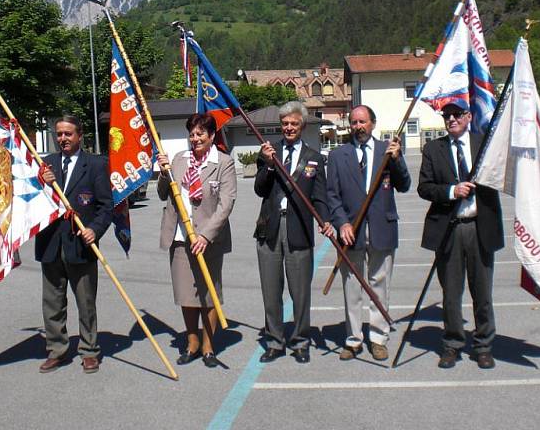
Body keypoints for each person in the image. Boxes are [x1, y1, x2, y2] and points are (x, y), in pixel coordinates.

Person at [418, 102, 503, 370]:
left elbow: (511, 165)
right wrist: (451, 191)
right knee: (451, 294)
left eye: (456, 115)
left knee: (483, 293)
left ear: (468, 117)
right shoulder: (434, 149)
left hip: (480, 228)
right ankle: (452, 345)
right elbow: (424, 187)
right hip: (449, 229)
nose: (451, 119)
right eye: (447, 116)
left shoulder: (485, 144)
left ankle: (483, 346)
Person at [327, 105, 411, 361]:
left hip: (381, 228)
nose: (358, 127)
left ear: (373, 124)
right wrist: (342, 223)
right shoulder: (338, 155)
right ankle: (353, 339)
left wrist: (397, 159)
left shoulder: (387, 151)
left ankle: (378, 338)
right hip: (350, 231)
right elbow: (332, 195)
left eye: (362, 122)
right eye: (353, 122)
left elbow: (404, 184)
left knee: (379, 286)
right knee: (352, 288)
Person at [156, 113, 236, 368]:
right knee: (186, 294)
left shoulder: (223, 162)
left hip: (208, 239)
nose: (195, 138)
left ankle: (208, 345)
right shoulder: (179, 160)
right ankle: (191, 342)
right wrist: (163, 172)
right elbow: (162, 194)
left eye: (201, 133)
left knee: (209, 293)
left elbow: (226, 203)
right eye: (192, 134)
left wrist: (205, 235)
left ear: (211, 136)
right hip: (180, 237)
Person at [253, 101, 331, 364]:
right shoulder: (268, 152)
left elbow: (320, 196)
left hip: (299, 228)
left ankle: (300, 341)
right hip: (270, 228)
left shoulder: (314, 158)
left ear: (302, 126)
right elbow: (260, 189)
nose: (289, 127)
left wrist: (325, 219)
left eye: (294, 123)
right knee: (271, 291)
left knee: (300, 292)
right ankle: (275, 341)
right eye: (285, 123)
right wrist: (269, 165)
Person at [37, 116, 113, 374]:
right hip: (51, 244)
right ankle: (56, 349)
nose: (63, 139)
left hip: (81, 245)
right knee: (52, 303)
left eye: (68, 134)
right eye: (59, 134)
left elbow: (105, 205)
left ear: (80, 135)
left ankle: (89, 350)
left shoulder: (95, 164)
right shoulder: (45, 165)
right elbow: (33, 204)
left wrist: (95, 229)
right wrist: (42, 185)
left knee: (85, 302)